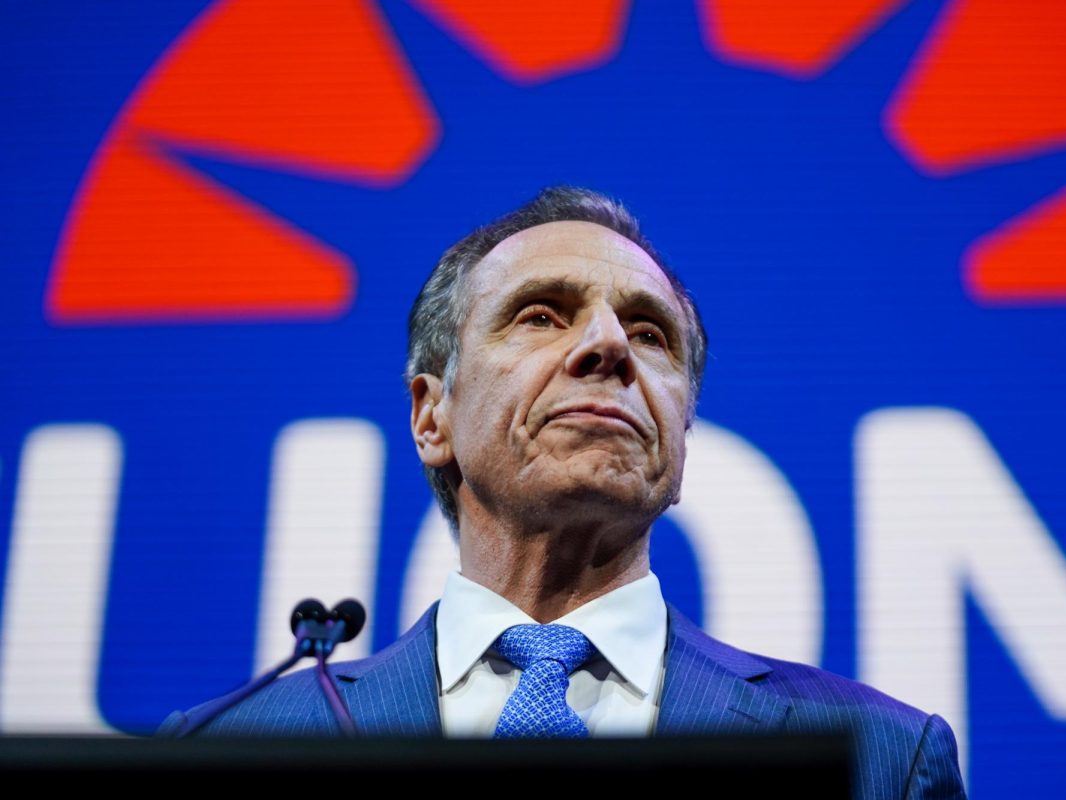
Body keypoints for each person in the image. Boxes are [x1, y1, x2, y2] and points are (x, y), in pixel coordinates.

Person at [161, 186, 966, 799]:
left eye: (651, 335)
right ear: (431, 415)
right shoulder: (230, 746)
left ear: (681, 435)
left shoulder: (878, 757)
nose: (609, 345)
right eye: (542, 315)